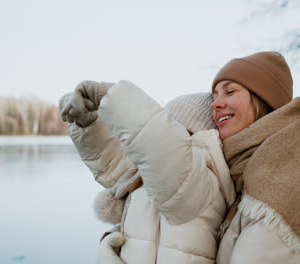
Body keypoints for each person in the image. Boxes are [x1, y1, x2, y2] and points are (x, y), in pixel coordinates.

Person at [59, 82, 235, 264]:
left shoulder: (201, 177)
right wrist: (87, 121)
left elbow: (156, 141)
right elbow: (112, 163)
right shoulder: (148, 173)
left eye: (174, 127)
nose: (169, 136)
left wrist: (110, 96)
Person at [209, 51, 300, 263]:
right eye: (214, 95)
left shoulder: (285, 170)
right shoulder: (251, 170)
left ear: (263, 98)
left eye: (229, 92)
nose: (215, 103)